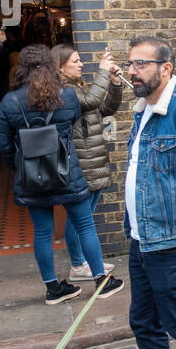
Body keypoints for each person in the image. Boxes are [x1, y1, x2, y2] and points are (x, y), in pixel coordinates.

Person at [0, 45, 124, 306]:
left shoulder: (11, 101)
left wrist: (19, 166)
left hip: (31, 177)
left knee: (42, 232)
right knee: (85, 225)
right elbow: (73, 123)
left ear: (22, 69)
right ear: (53, 67)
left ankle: (53, 289)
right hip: (68, 172)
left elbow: (3, 144)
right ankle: (101, 281)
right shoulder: (67, 95)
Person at [115, 37, 176, 349]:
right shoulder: (142, 109)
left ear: (166, 68)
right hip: (141, 237)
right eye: (130, 64)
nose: (133, 71)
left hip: (171, 242)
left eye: (141, 64)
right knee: (144, 322)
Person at [55, 44, 122, 281]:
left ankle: (82, 261)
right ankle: (77, 264)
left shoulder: (77, 86)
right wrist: (103, 71)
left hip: (92, 156)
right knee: (80, 218)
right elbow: (93, 100)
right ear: (60, 68)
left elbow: (104, 109)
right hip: (83, 159)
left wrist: (114, 85)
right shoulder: (63, 90)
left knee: (84, 216)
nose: (81, 64)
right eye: (75, 61)